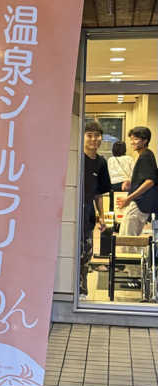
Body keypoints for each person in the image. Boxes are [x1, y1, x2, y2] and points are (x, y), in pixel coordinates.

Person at [80, 120, 111, 297]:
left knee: (86, 252)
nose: (94, 139)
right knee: (73, 251)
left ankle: (83, 289)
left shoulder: (101, 163)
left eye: (97, 135)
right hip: (73, 212)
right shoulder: (77, 159)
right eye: (89, 135)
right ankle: (72, 288)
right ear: (83, 137)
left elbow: (99, 193)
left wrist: (102, 217)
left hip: (89, 214)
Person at [120, 126, 158, 236]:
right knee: (131, 238)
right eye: (131, 139)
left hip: (140, 203)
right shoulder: (146, 155)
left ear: (145, 140)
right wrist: (131, 184)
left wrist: (129, 198)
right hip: (142, 203)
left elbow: (150, 181)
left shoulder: (145, 156)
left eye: (136, 139)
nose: (132, 142)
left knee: (127, 239)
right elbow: (146, 179)